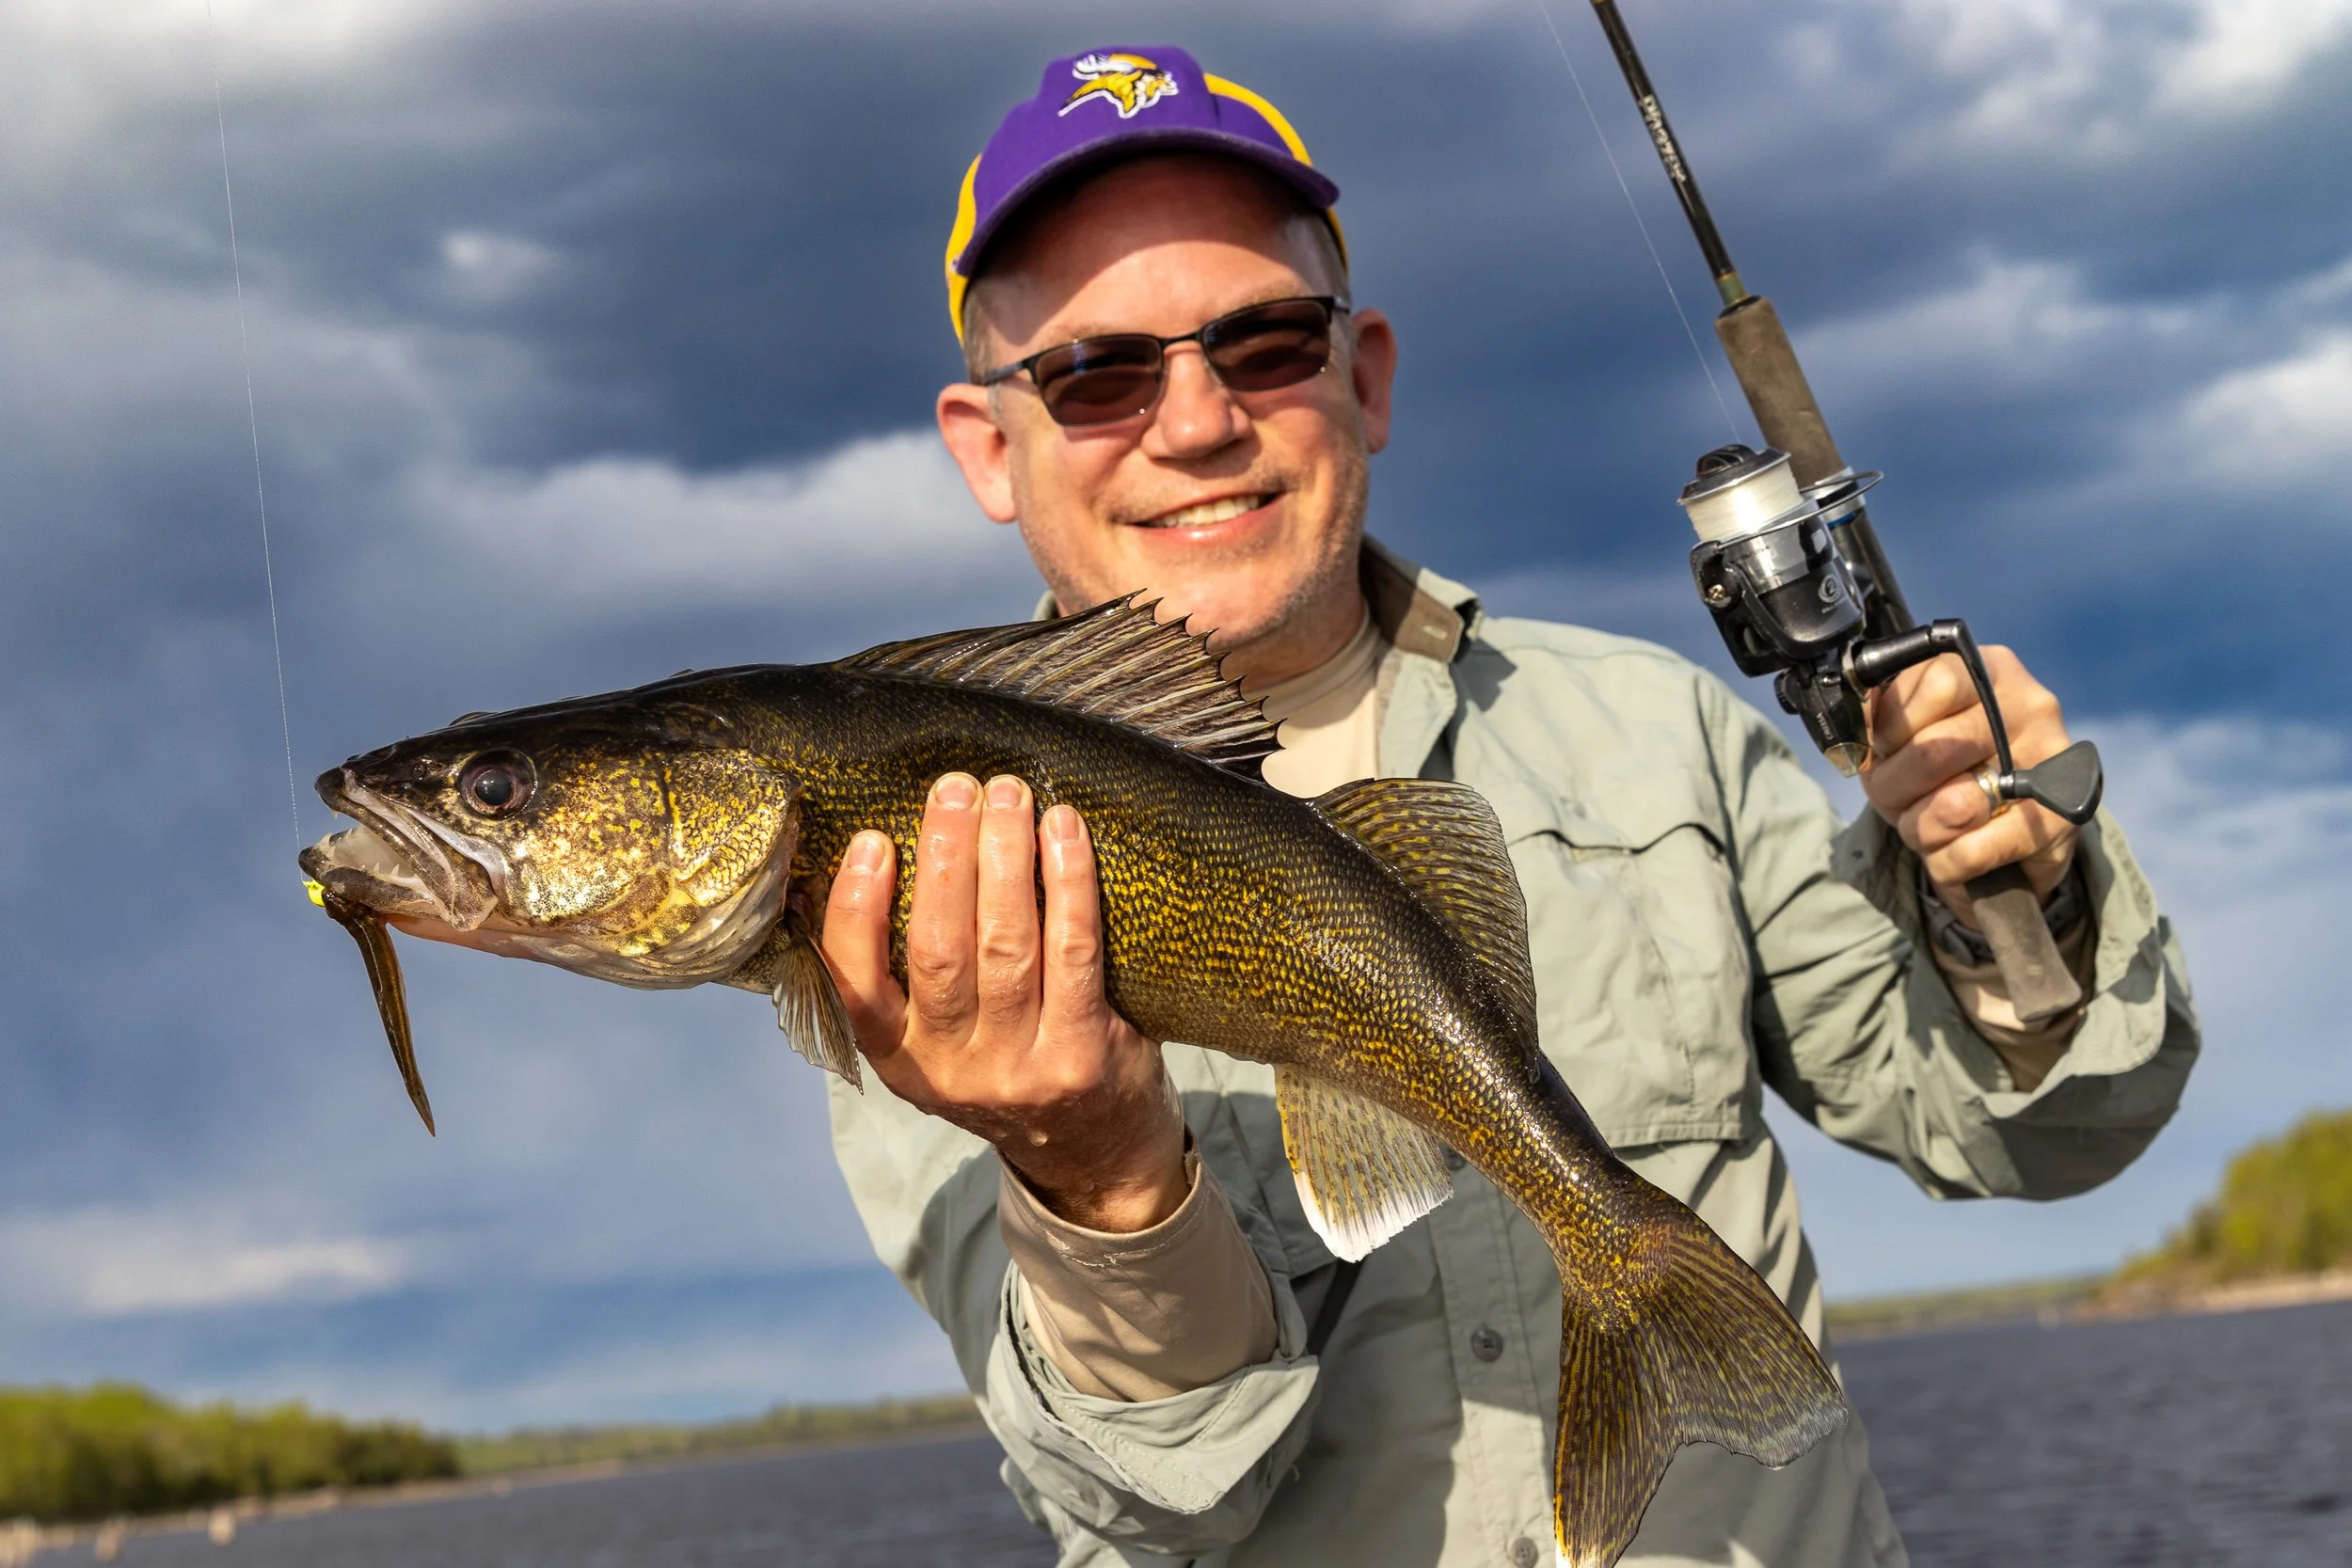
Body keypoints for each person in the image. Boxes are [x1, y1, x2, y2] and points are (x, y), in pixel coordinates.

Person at [813, 45, 2199, 1568]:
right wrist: (1097, 1172)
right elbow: (1146, 1497)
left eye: (1265, 341)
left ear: (1370, 374)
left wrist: (2013, 884)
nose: (1197, 420)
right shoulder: (917, 905)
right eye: (1098, 374)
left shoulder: (1653, 726)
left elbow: (2046, 1131)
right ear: (981, 445)